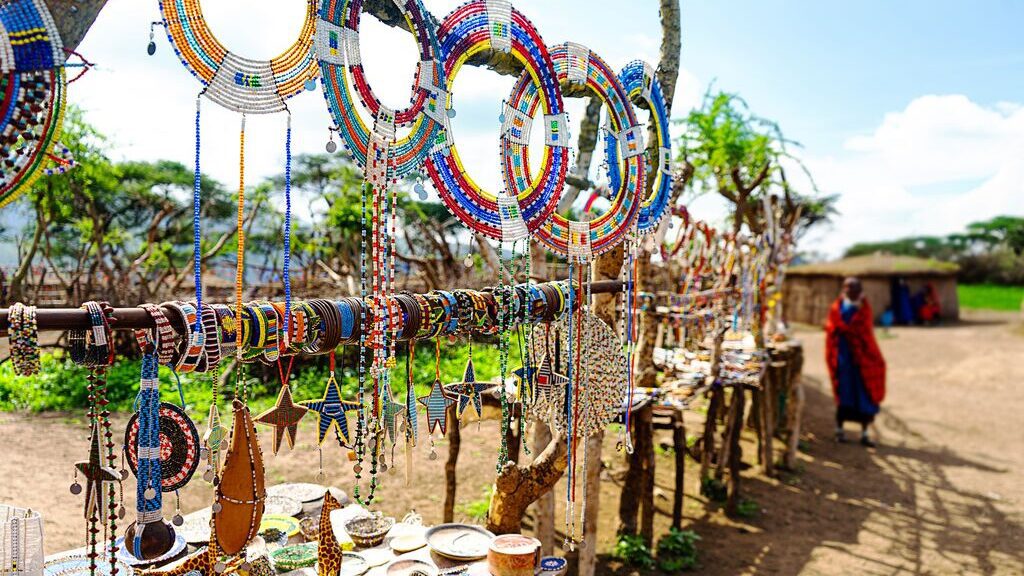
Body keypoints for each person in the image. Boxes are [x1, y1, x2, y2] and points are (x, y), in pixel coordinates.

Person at [825, 277, 886, 446]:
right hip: (843, 357)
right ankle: (839, 430)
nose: (850, 291)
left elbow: (866, 332)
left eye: (853, 288)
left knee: (864, 394)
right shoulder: (837, 308)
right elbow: (831, 329)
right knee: (844, 393)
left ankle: (865, 433)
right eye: (847, 288)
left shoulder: (864, 309)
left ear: (860, 290)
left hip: (862, 359)